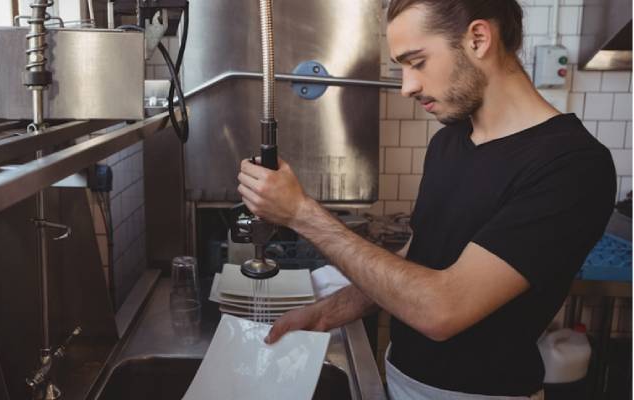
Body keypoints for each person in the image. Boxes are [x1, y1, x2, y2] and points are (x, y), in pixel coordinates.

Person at [236, 0, 617, 398]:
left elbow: (442, 308)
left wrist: (301, 213)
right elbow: (418, 258)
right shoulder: (449, 141)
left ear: (479, 38)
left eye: (416, 62)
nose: (407, 86)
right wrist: (329, 311)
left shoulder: (571, 166)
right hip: (399, 380)